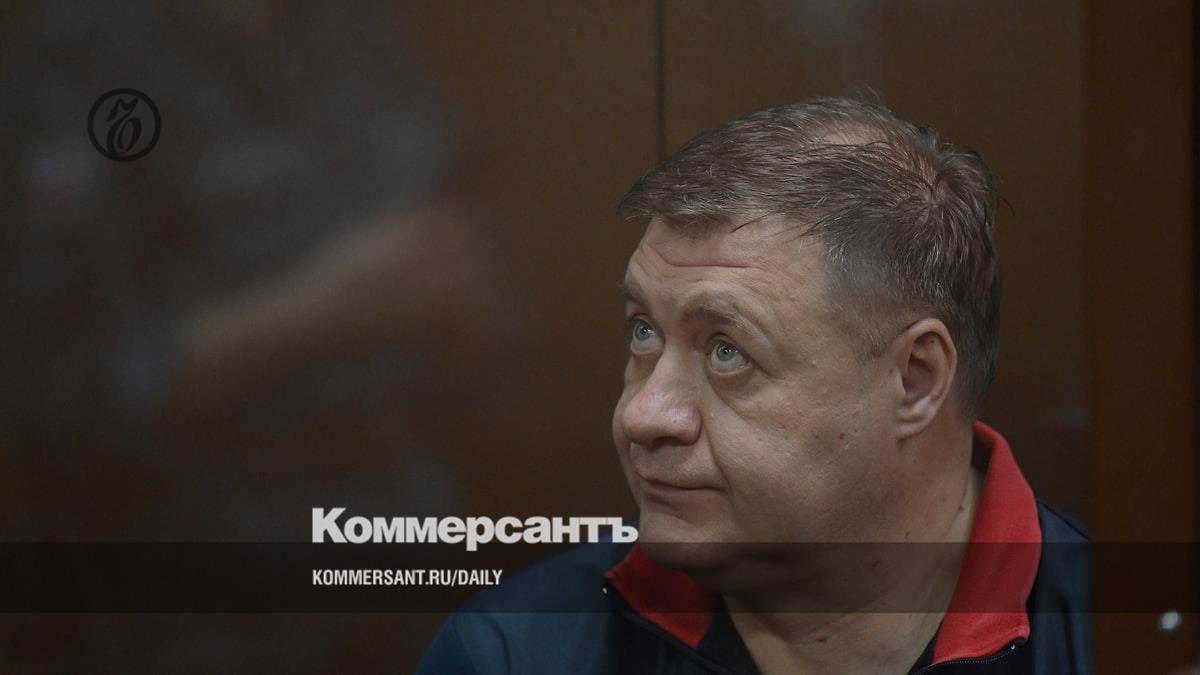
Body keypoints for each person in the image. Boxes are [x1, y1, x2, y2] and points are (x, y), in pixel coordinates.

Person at [416, 97, 1091, 674]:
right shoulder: (516, 651)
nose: (643, 414)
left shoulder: (1111, 637)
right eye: (644, 333)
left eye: (727, 351)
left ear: (915, 380)